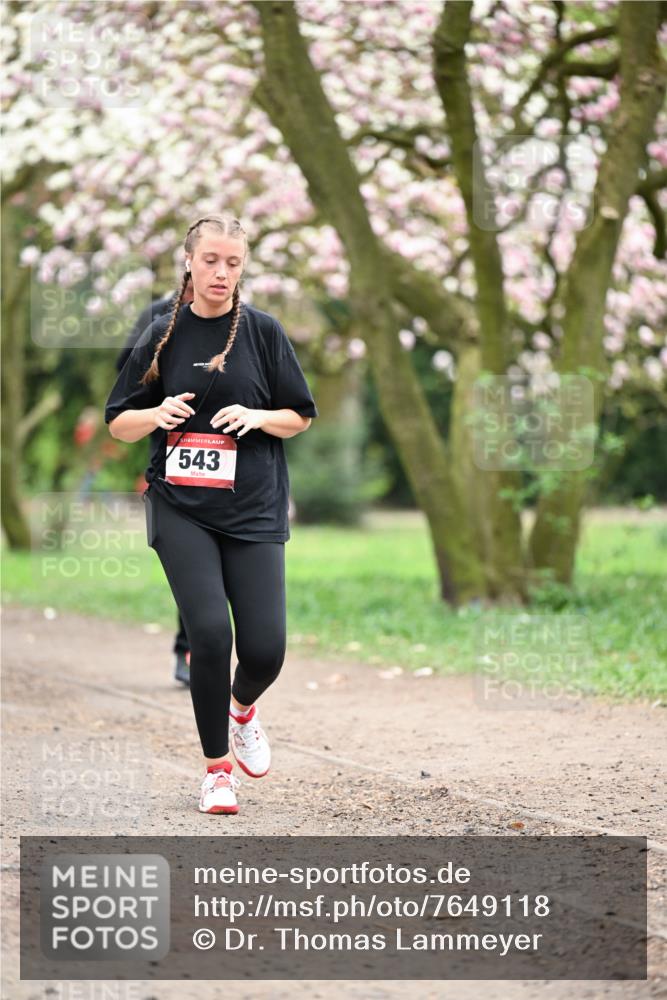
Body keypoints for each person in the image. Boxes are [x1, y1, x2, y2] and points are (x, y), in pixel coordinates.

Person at [105, 214, 318, 815]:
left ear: (242, 268)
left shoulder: (263, 333)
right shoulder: (159, 336)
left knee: (266, 650)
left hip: (252, 506)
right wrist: (156, 414)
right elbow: (119, 422)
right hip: (180, 505)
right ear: (190, 264)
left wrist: (257, 418)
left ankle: (242, 708)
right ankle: (216, 771)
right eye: (211, 261)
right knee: (208, 632)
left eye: (233, 263)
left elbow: (299, 414)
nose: (221, 273)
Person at [117, 281, 195, 687]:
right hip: (168, 450)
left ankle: (202, 645)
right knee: (191, 559)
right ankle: (188, 647)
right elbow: (125, 378)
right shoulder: (155, 317)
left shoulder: (243, 320)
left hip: (226, 455)